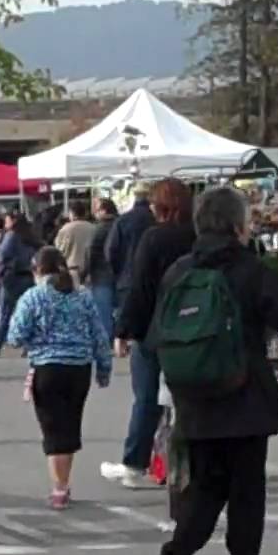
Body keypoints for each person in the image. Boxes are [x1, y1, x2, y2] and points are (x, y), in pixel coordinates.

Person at [148, 186, 278, 555]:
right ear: (239, 225)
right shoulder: (249, 269)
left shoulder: (178, 271)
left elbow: (156, 331)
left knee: (206, 488)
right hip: (244, 399)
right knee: (246, 497)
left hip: (193, 397)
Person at [102, 179, 197, 489]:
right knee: (191, 398)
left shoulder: (154, 238)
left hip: (155, 329)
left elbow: (140, 288)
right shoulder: (198, 237)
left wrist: (123, 330)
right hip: (196, 328)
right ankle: (190, 460)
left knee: (146, 398)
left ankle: (135, 462)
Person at [7, 246, 112, 510]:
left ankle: (59, 488)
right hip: (79, 368)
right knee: (69, 425)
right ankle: (64, 483)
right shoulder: (82, 296)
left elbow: (15, 335)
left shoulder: (33, 297)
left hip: (47, 367)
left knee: (53, 429)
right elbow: (99, 333)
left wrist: (33, 341)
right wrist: (104, 367)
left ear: (37, 270)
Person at [0, 212, 41, 356]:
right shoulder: (32, 236)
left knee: (5, 313)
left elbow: (3, 254)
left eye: (7, 220)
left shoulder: (12, 236)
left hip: (12, 277)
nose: (5, 222)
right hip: (28, 276)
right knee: (29, 313)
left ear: (14, 221)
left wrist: (0, 270)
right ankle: (30, 346)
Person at [105, 182, 156, 315]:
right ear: (150, 198)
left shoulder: (123, 220)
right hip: (153, 281)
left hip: (126, 281)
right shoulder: (155, 220)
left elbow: (111, 251)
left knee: (126, 325)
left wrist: (119, 273)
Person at [83, 198, 119, 341]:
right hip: (120, 274)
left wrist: (85, 273)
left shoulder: (99, 228)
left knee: (103, 311)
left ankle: (106, 340)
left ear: (104, 211)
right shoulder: (121, 225)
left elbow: (90, 252)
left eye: (97, 210)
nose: (95, 214)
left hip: (101, 275)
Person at [54, 201, 97, 284]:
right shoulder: (93, 228)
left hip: (72, 270)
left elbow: (59, 250)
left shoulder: (65, 229)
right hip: (91, 271)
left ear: (71, 213)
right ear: (86, 213)